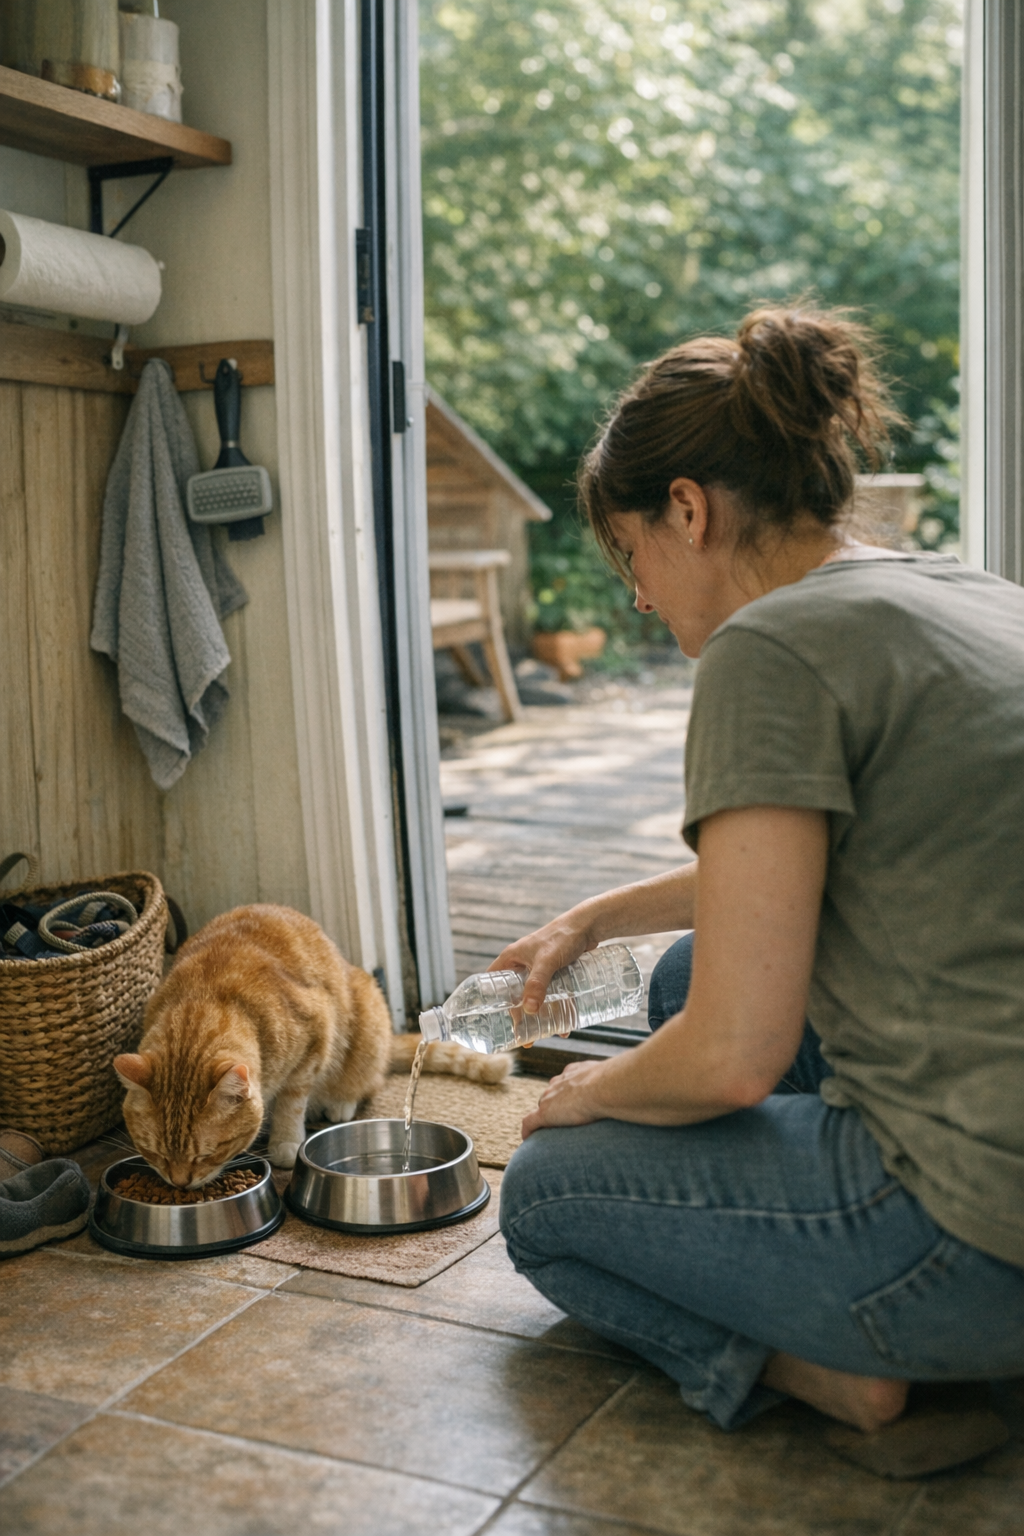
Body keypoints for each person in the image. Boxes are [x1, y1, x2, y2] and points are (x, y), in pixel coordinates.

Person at [495, 304, 1024, 1478]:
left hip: (980, 1242)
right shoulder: (954, 590)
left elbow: (734, 1057)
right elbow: (852, 853)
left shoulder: (767, 648)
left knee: (540, 1197)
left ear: (686, 508)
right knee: (681, 971)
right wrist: (592, 918)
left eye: (629, 556)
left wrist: (591, 1094)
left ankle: (853, 1374)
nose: (635, 596)